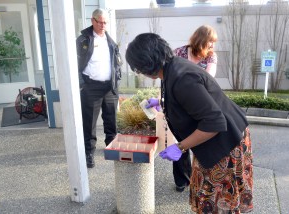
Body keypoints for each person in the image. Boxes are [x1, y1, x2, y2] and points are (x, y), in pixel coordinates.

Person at [126, 33, 253, 213]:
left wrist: (180, 147)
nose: (139, 72)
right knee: (205, 195)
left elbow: (214, 122)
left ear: (146, 64)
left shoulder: (182, 78)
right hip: (212, 141)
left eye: (137, 68)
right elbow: (186, 102)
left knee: (218, 201)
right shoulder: (170, 67)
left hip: (227, 142)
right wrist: (162, 102)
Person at [147, 25, 218, 192]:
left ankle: (201, 180)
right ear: (201, 40)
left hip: (198, 106)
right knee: (179, 144)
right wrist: (160, 100)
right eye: (210, 42)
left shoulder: (211, 57)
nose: (212, 46)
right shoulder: (178, 52)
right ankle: (182, 180)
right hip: (178, 107)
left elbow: (208, 79)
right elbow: (166, 79)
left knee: (198, 143)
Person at [76, 8, 122, 168]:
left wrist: (117, 82)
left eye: (105, 22)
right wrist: (82, 84)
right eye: (100, 22)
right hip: (91, 87)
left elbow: (117, 63)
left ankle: (112, 145)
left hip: (109, 87)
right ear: (92, 21)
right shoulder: (83, 40)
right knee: (89, 123)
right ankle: (89, 153)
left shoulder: (110, 40)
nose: (103, 25)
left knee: (111, 120)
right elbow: (76, 64)